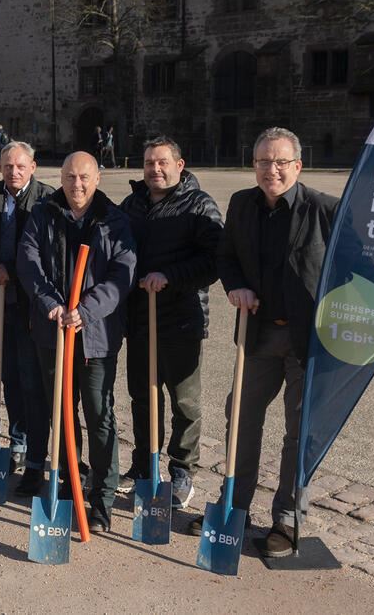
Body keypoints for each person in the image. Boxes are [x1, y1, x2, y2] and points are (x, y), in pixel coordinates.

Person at [195, 126, 374, 556]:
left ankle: (286, 518)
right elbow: (227, 257)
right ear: (253, 165)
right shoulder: (242, 204)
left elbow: (363, 267)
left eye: (281, 162)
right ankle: (234, 506)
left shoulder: (326, 209)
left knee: (300, 434)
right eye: (264, 161)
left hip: (310, 343)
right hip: (259, 334)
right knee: (241, 418)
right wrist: (236, 286)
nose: (272, 170)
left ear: (298, 166)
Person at [17, 151, 136, 532]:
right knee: (62, 413)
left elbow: (122, 275)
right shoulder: (43, 213)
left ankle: (101, 499)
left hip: (95, 336)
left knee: (99, 416)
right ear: (61, 178)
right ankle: (69, 486)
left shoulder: (114, 220)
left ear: (98, 177)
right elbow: (28, 262)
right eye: (70, 177)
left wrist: (86, 310)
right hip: (53, 333)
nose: (77, 185)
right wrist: (52, 304)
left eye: (84, 177)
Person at [117, 137, 223, 510]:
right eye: (148, 163)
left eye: (162, 163)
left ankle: (182, 470)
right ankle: (144, 465)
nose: (155, 169)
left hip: (180, 319)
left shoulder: (198, 205)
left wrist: (170, 276)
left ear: (180, 165)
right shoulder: (132, 205)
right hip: (139, 318)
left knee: (184, 401)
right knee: (142, 397)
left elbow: (214, 260)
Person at [0, 140, 55, 487]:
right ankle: (17, 442)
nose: (14, 172)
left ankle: (37, 455)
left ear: (33, 167)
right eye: (8, 166)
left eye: (21, 166)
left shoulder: (47, 198)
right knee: (9, 377)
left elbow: (45, 253)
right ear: (0, 168)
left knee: (31, 380)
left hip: (31, 305)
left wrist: (11, 269)